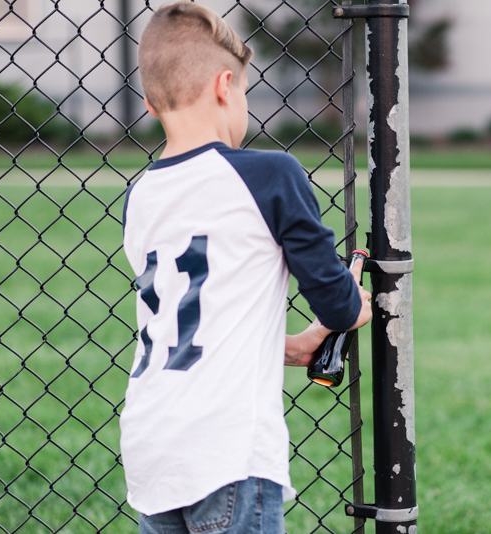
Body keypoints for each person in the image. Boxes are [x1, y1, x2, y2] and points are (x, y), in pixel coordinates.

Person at [120, 3, 372, 533]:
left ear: (148, 103)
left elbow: (186, 318)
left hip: (149, 445)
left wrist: (289, 344)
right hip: (224, 449)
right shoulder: (269, 174)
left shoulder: (140, 195)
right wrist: (347, 306)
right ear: (224, 85)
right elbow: (335, 301)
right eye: (246, 95)